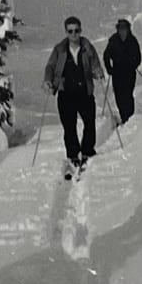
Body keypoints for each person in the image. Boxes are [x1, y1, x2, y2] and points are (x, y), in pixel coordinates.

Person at [43, 15, 102, 172]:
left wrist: (98, 72)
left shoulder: (87, 47)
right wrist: (48, 81)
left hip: (84, 92)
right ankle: (73, 155)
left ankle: (88, 151)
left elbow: (95, 63)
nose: (74, 34)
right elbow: (50, 67)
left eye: (76, 31)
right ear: (66, 32)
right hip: (66, 93)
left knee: (89, 123)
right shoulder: (59, 50)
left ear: (80, 30)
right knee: (69, 126)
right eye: (70, 31)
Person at [104, 18, 142, 123]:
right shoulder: (113, 41)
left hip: (129, 72)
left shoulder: (132, 41)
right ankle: (124, 115)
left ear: (128, 29)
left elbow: (138, 56)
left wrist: (134, 65)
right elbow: (106, 55)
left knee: (128, 94)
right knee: (118, 95)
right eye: (120, 28)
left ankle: (129, 116)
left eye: (124, 28)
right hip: (117, 72)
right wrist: (109, 68)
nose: (122, 30)